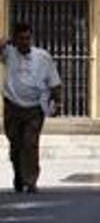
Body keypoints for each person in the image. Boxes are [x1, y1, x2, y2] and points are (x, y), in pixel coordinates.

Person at [1, 23, 62, 193]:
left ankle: (31, 180)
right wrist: (6, 40)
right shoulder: (8, 54)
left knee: (30, 143)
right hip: (12, 106)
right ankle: (19, 176)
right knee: (16, 145)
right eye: (21, 38)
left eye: (27, 38)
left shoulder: (42, 57)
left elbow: (54, 82)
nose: (25, 42)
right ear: (15, 39)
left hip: (34, 108)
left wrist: (57, 102)